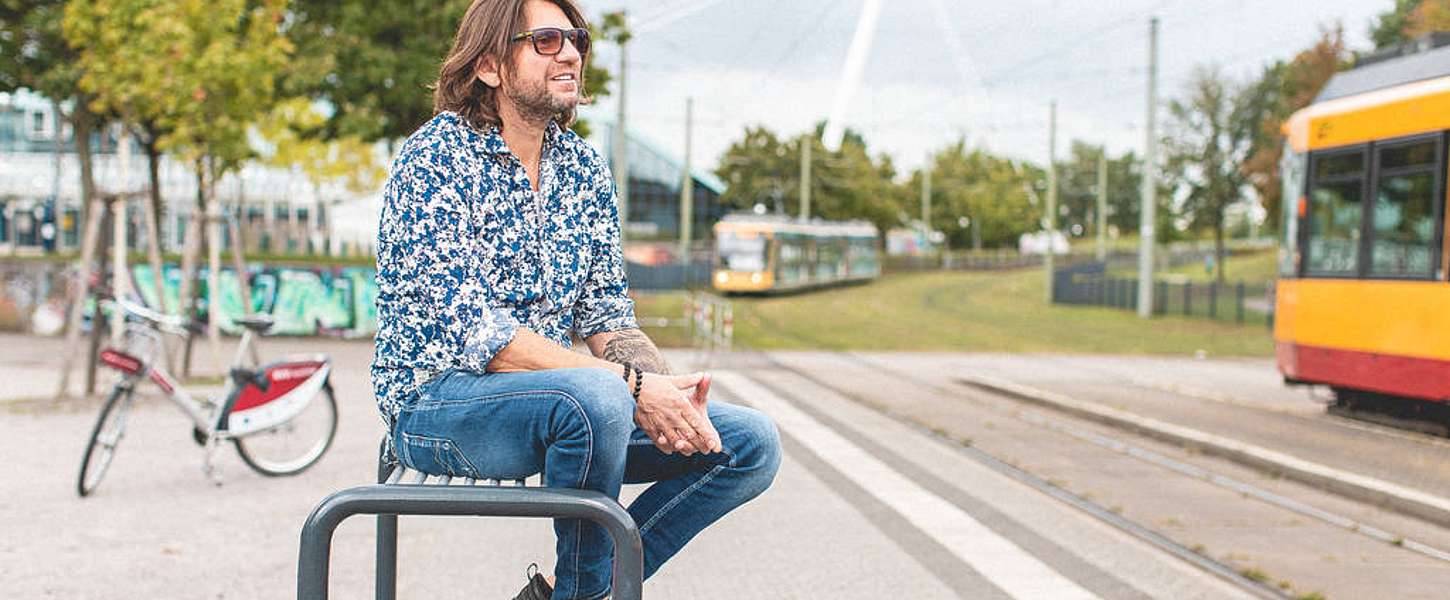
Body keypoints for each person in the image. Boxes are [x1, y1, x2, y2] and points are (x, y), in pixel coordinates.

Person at [369, 1, 782, 598]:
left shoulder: (585, 169)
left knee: (748, 443)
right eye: (545, 40)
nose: (570, 52)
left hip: (568, 409)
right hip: (436, 405)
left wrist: (661, 394)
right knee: (597, 395)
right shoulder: (433, 159)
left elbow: (607, 315)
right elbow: (480, 338)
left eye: (576, 39)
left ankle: (572, 590)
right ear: (490, 65)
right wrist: (629, 388)